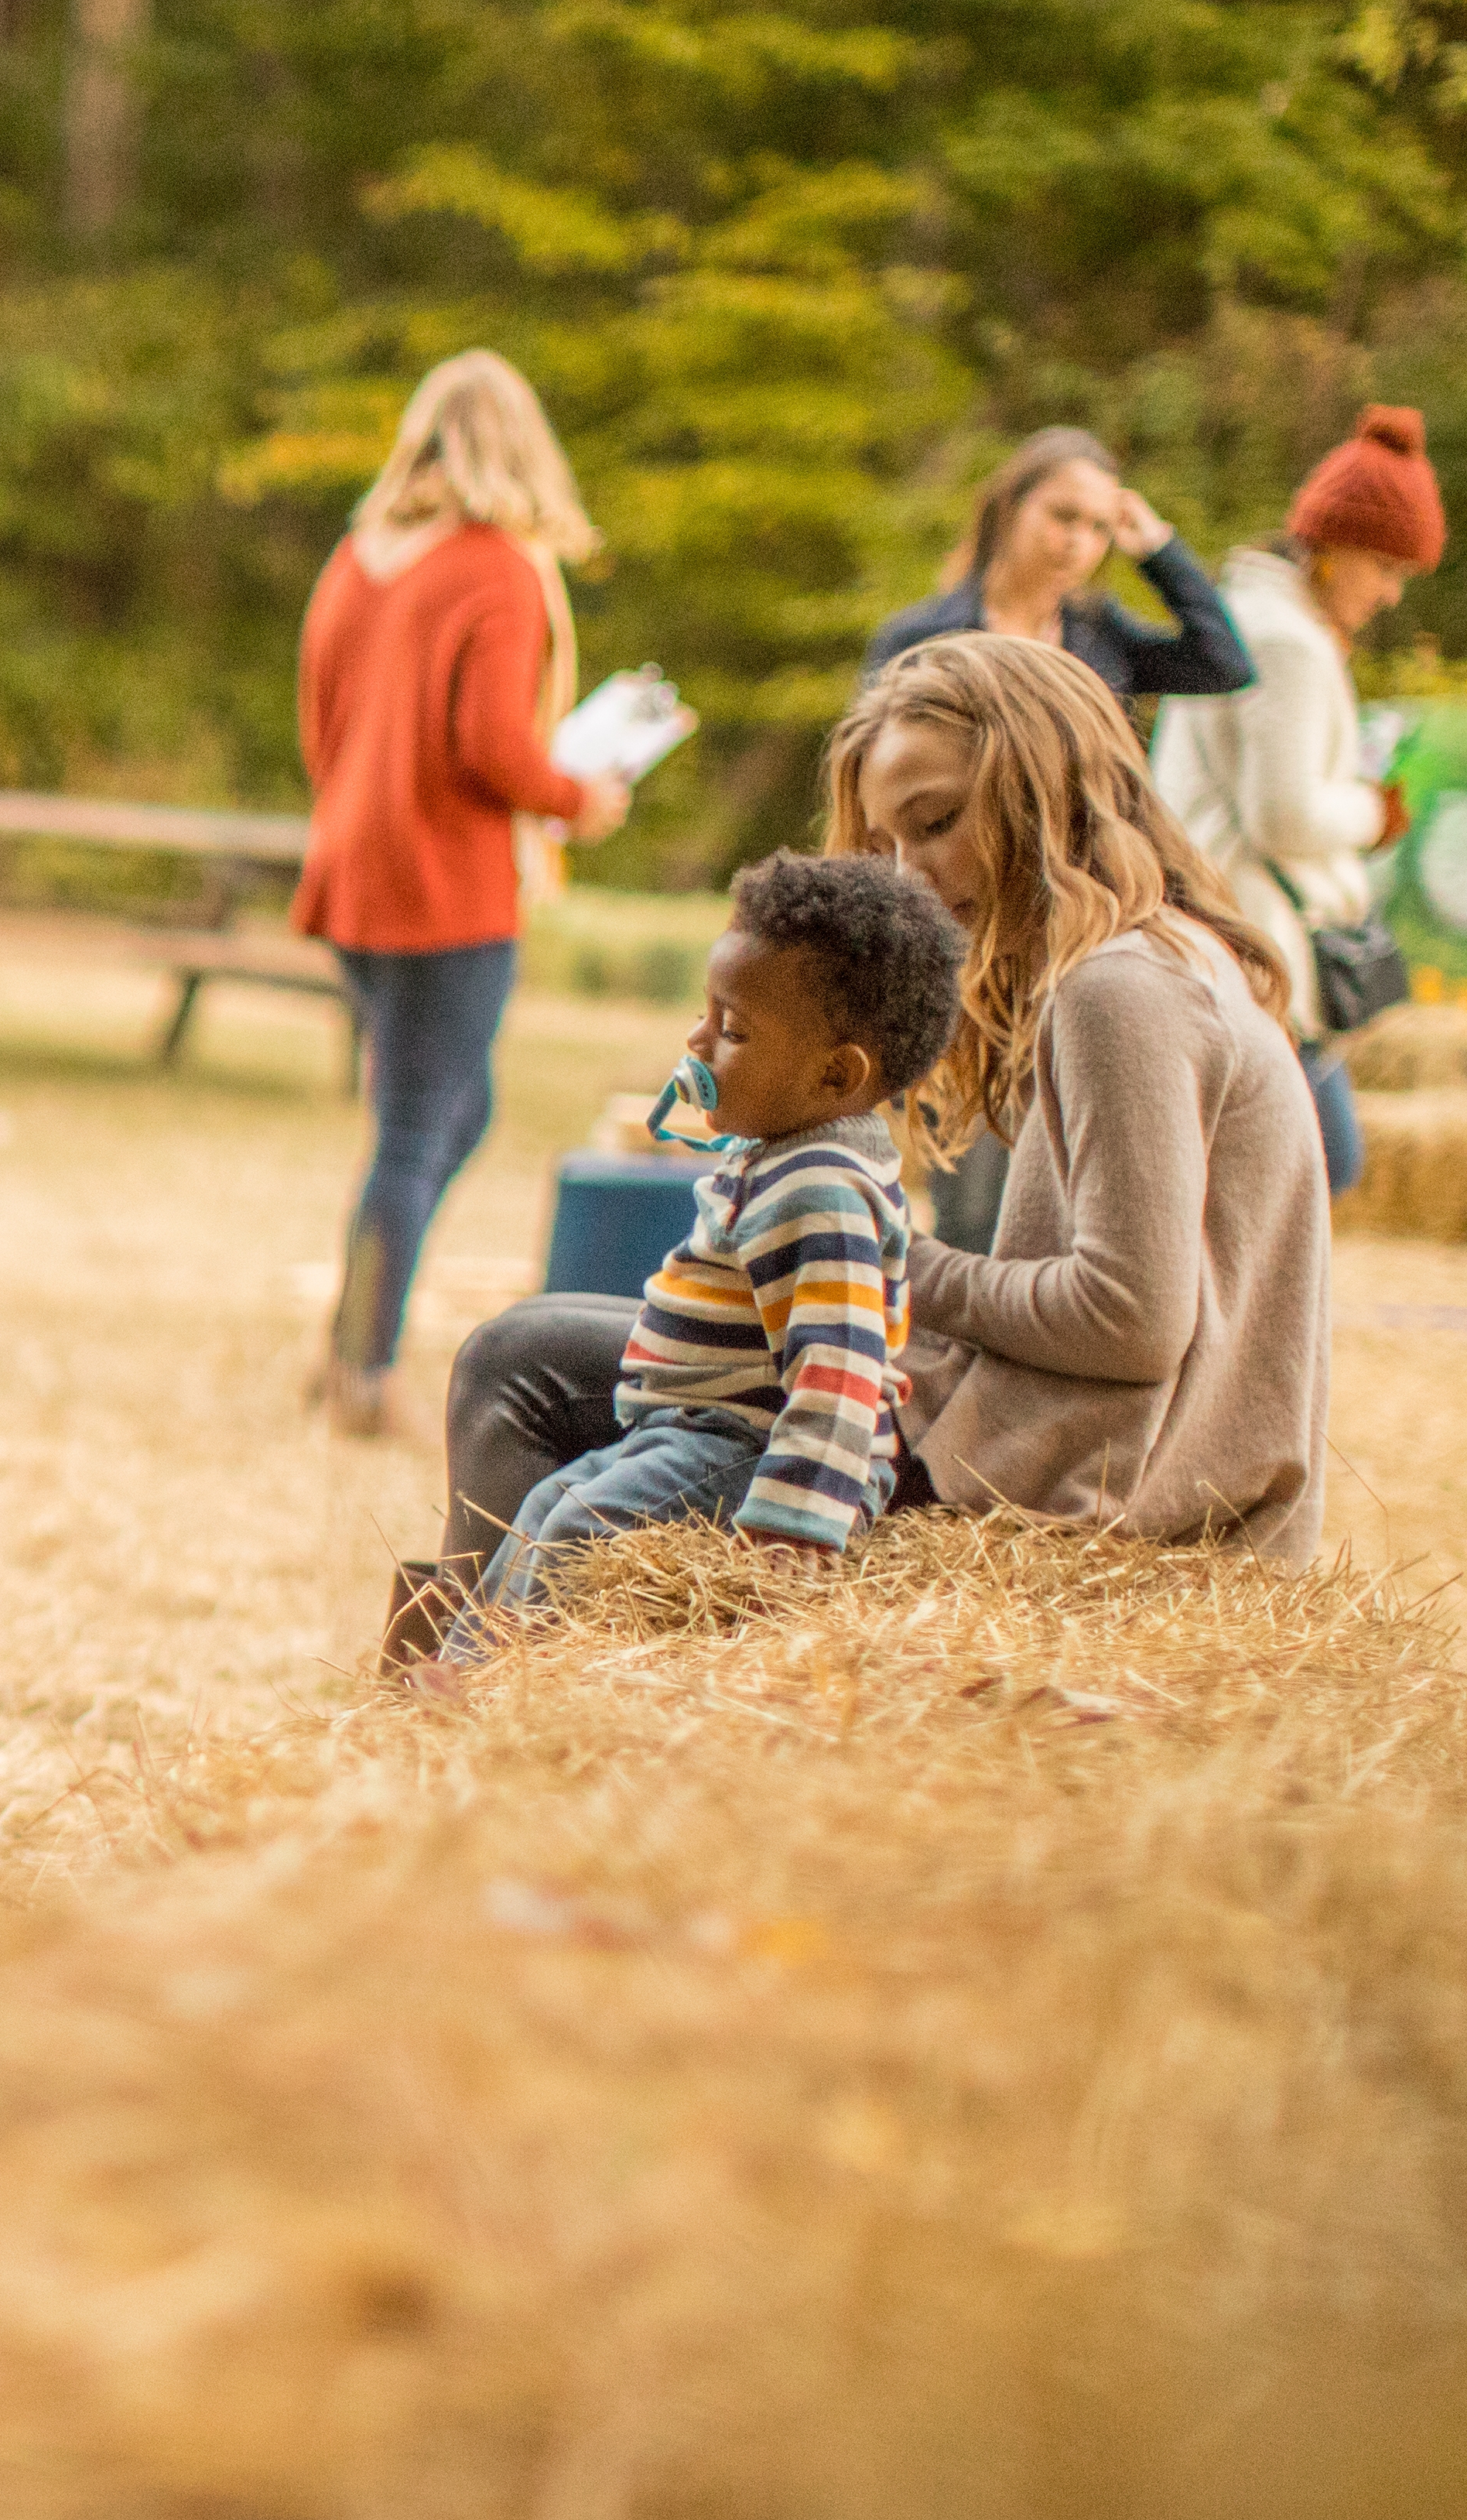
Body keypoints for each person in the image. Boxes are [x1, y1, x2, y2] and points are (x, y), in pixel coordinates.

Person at [433, 634, 1329, 1587]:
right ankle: (485, 1677)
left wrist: (885, 1253)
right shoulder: (1144, 964)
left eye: (935, 823)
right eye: (883, 845)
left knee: (520, 1368)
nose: (908, 877)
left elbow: (1131, 1317)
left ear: (1047, 794)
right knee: (563, 1346)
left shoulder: (1119, 991)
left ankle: (479, 1696)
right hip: (1065, 1441)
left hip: (1095, 1490)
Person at [400, 852, 963, 1670]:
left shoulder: (821, 1189)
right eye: (708, 1014)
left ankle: (484, 1686)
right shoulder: (790, 1144)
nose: (700, 1039)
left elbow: (841, 1367)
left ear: (836, 1073)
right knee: (552, 1503)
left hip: (748, 1447)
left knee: (576, 1531)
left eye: (733, 1031)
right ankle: (459, 1670)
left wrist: (795, 1526)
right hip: (702, 1427)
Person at [291, 351, 631, 1438]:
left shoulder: (359, 558)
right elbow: (489, 743)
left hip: (355, 869)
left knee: (436, 1113)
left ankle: (350, 1330)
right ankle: (362, 1366)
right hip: (446, 882)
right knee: (420, 1124)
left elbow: (319, 720)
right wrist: (580, 795)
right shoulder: (496, 566)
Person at [1155, 406, 1448, 1200]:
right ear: (1337, 549)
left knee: (1261, 1171)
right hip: (1255, 940)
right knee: (1320, 1162)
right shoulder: (1287, 641)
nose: (1389, 594)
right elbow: (1281, 816)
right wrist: (1371, 813)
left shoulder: (1250, 616)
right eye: (1387, 568)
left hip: (1216, 933)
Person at [861, 426, 1253, 699]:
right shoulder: (920, 640)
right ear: (1012, 509)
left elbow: (1223, 666)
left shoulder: (1101, 636)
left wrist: (1160, 552)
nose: (1078, 543)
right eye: (1064, 516)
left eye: (1100, 527)